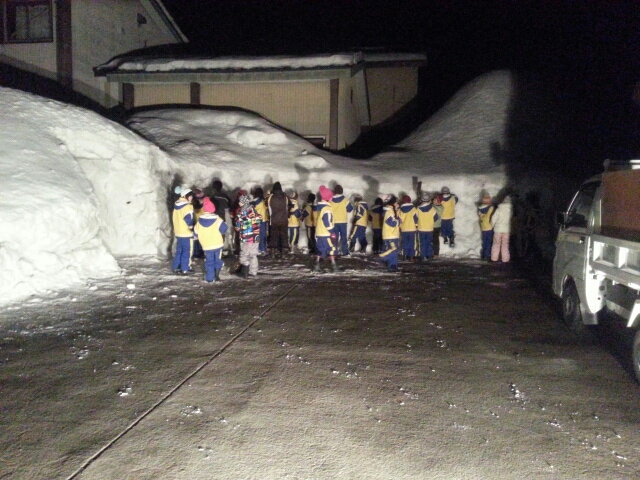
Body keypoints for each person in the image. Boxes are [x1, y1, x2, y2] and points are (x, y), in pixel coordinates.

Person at [194, 197, 228, 282]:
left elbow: (196, 233)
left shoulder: (199, 221)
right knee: (217, 260)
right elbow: (224, 229)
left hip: (206, 246)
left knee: (209, 261)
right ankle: (216, 275)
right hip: (217, 244)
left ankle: (209, 278)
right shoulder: (218, 220)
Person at [234, 193, 262, 278]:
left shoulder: (242, 213)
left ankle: (245, 272)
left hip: (246, 237)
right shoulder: (254, 211)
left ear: (244, 203)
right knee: (253, 254)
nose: (239, 203)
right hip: (255, 237)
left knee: (245, 254)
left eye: (240, 202)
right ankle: (253, 271)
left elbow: (238, 226)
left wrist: (238, 227)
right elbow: (259, 221)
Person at [313, 185, 339, 272]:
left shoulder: (319, 207)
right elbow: (327, 221)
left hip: (319, 233)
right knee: (331, 248)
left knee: (320, 249)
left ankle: (316, 266)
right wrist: (332, 231)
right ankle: (334, 266)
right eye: (331, 197)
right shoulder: (327, 209)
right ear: (328, 198)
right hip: (326, 233)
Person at [171, 186, 195, 274]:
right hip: (186, 233)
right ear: (185, 196)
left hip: (178, 232)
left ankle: (176, 267)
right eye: (190, 196)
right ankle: (185, 268)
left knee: (179, 250)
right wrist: (191, 227)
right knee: (187, 251)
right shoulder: (187, 207)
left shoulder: (177, 204)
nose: (191, 198)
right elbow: (188, 218)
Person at [210, 180, 233, 256]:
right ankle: (223, 249)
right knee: (222, 233)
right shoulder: (224, 196)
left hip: (213, 217)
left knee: (214, 234)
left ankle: (214, 250)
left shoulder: (212, 197)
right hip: (223, 217)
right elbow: (229, 205)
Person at [330, 184, 353, 255]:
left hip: (334, 222)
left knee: (335, 237)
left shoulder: (331, 200)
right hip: (343, 222)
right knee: (343, 237)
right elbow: (350, 209)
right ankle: (345, 251)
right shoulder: (345, 200)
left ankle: (334, 250)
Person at [267, 181, 289, 256]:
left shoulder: (270, 197)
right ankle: (284, 251)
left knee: (274, 235)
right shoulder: (285, 197)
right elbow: (287, 208)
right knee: (284, 235)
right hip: (284, 219)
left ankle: (273, 251)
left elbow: (269, 208)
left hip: (274, 219)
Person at [379, 194, 400, 271]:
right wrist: (398, 221)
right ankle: (383, 257)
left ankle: (392, 266)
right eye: (396, 202)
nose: (397, 203)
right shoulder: (389, 211)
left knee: (394, 250)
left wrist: (396, 210)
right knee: (394, 249)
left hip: (391, 234)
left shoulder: (390, 210)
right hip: (391, 235)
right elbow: (391, 223)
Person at [416, 192, 438, 261]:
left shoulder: (418, 209)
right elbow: (436, 218)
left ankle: (423, 256)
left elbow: (415, 218)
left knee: (422, 243)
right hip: (429, 228)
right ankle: (429, 255)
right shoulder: (433, 209)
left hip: (421, 229)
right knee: (429, 242)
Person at [491, 195, 513, 263]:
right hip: (506, 230)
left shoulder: (499, 209)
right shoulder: (511, 211)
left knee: (496, 244)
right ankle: (505, 259)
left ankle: (494, 258)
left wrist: (492, 225)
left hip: (498, 230)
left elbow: (494, 218)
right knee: (505, 245)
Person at [398, 194, 418, 260]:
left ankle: (405, 255)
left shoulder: (401, 210)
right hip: (412, 228)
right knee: (412, 242)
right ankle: (411, 256)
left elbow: (400, 220)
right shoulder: (414, 209)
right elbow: (416, 219)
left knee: (405, 242)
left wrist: (400, 227)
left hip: (404, 229)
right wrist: (416, 226)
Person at [251, 187, 269, 254]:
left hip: (255, 220)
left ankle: (257, 248)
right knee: (263, 235)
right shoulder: (263, 200)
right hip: (263, 219)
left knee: (256, 235)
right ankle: (263, 248)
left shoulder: (253, 201)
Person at [477, 193, 495, 261]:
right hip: (489, 227)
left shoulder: (480, 209)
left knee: (484, 242)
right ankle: (487, 255)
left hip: (483, 228)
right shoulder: (491, 208)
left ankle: (483, 254)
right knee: (489, 242)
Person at [191, 189, 206, 259]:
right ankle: (198, 253)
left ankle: (198, 253)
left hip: (198, 222)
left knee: (197, 238)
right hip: (199, 222)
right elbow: (197, 211)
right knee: (198, 238)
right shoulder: (196, 203)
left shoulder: (194, 203)